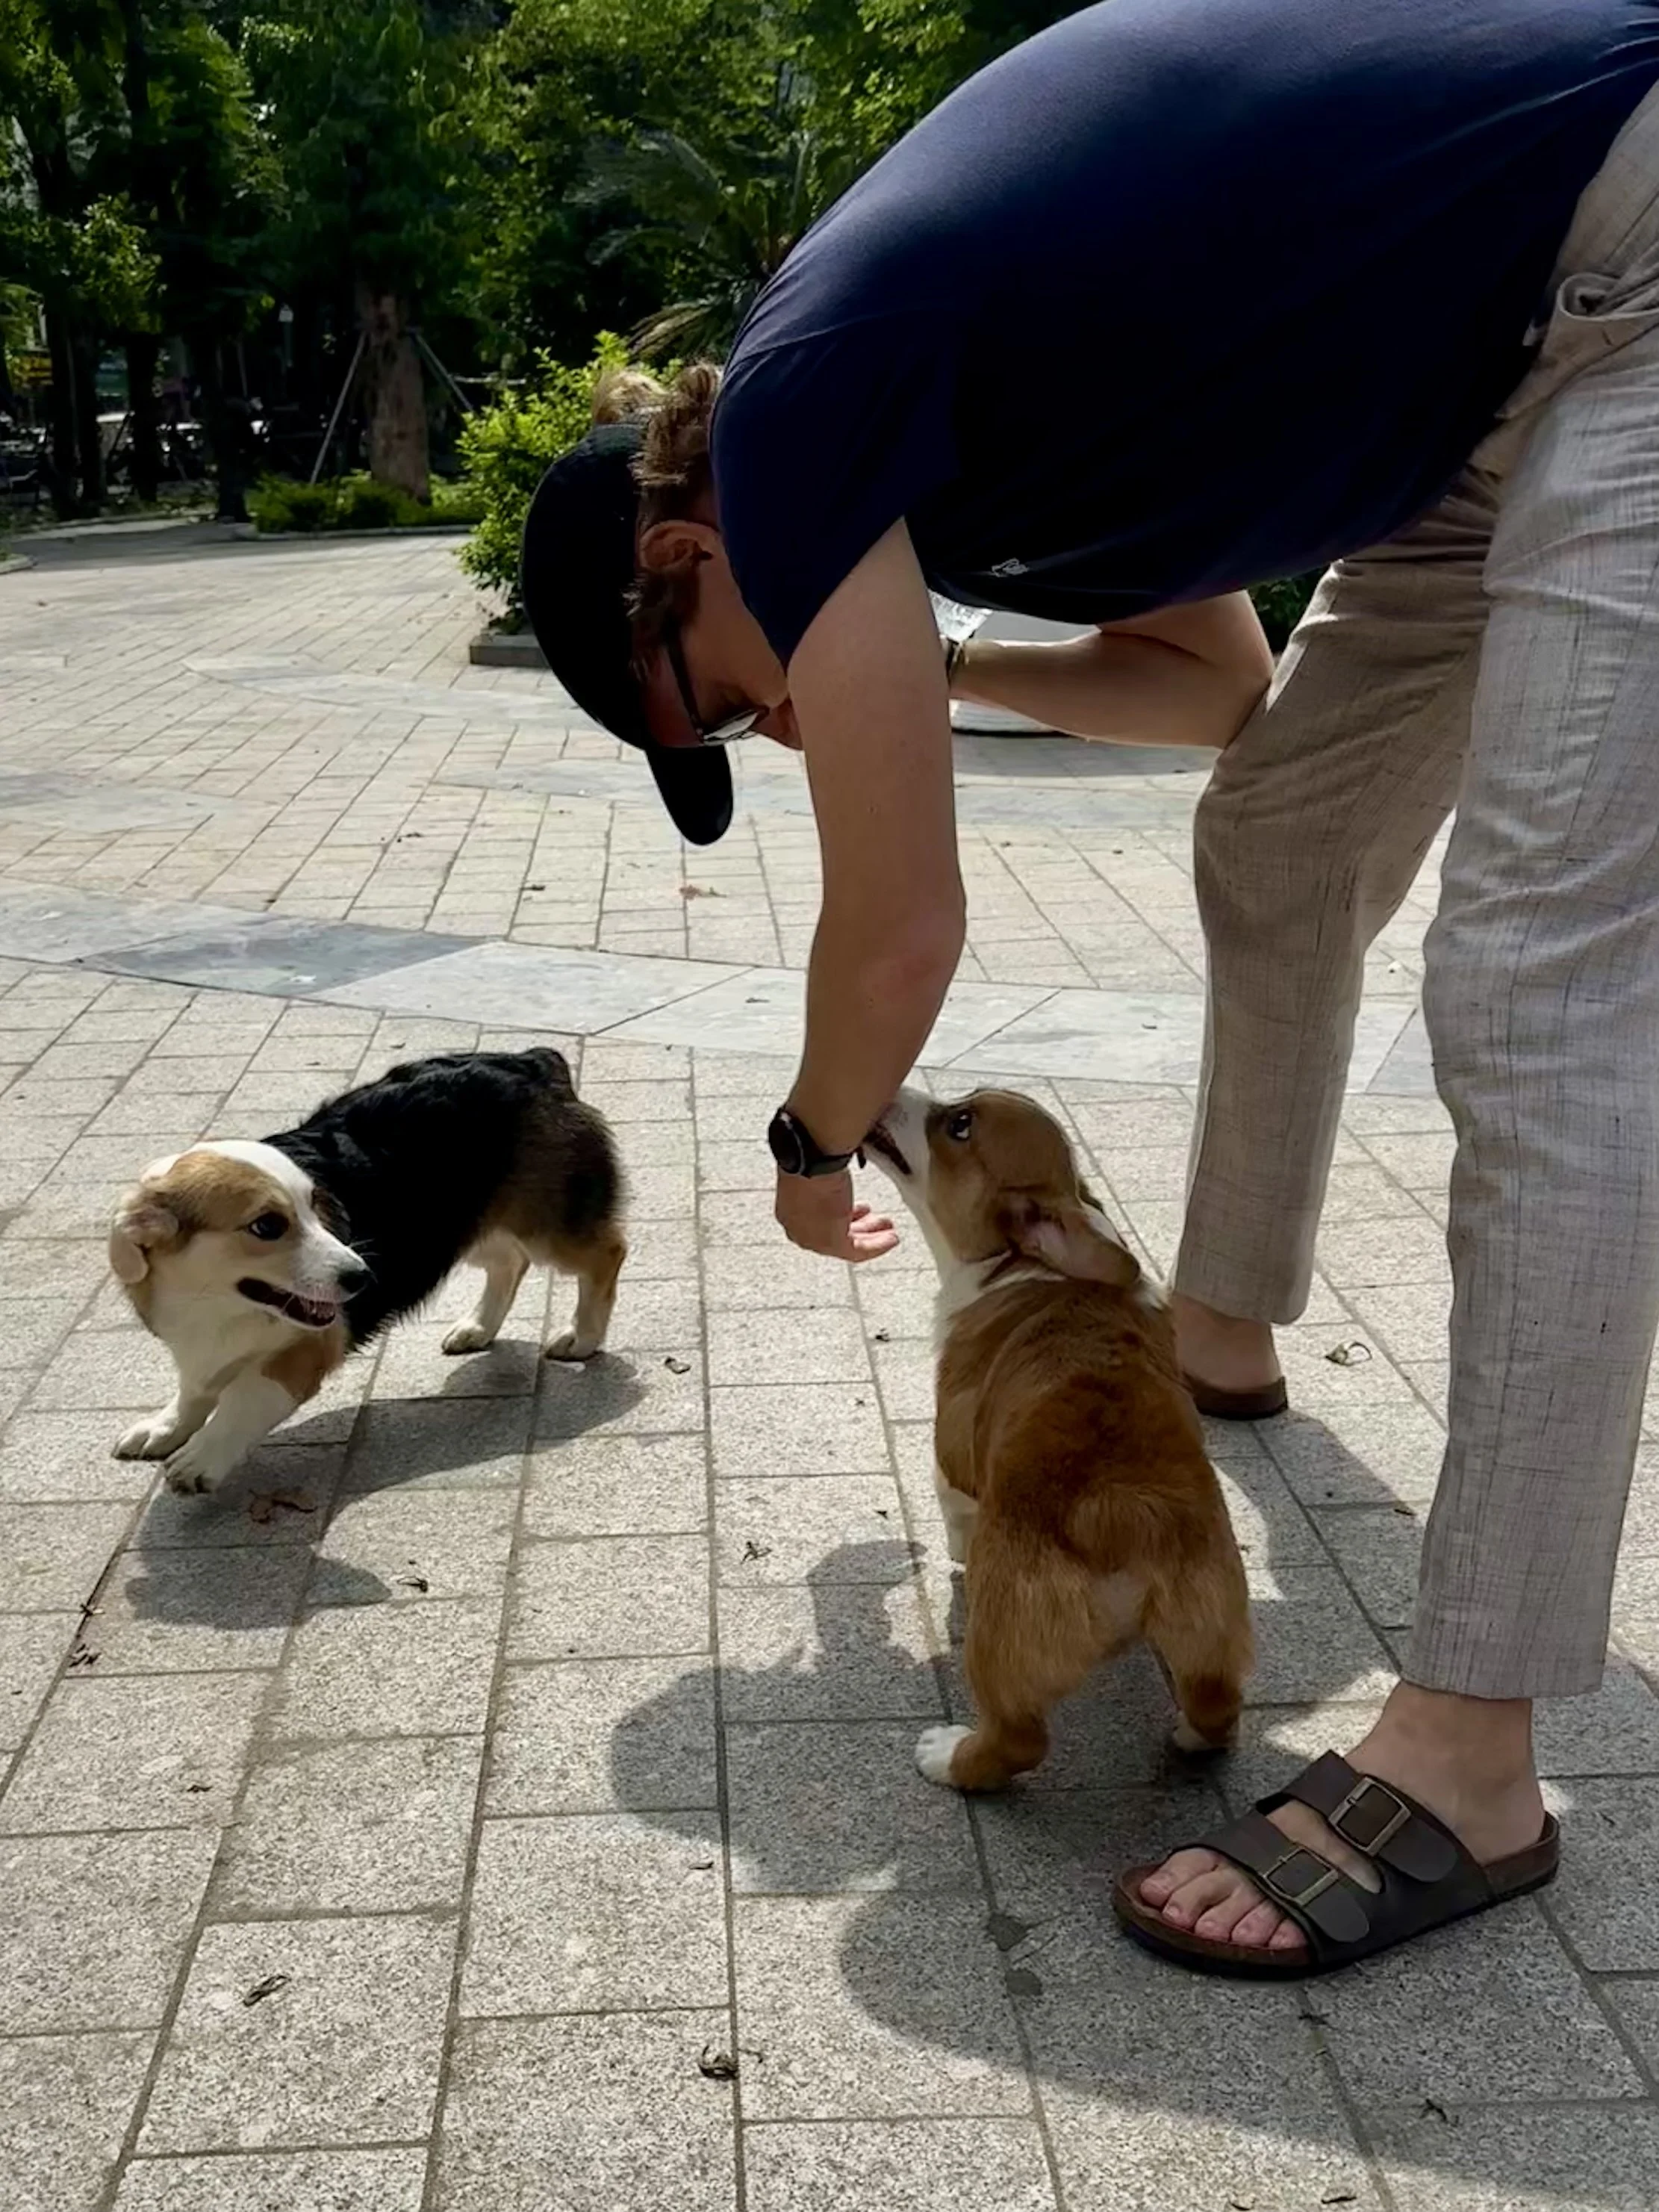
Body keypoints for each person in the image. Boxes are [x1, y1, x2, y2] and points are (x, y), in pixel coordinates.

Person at [520, 0, 1659, 1975]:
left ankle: (1474, 1747)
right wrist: (942, 671)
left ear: (684, 542)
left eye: (724, 689)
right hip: (1483, 395)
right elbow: (1215, 696)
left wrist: (808, 1142)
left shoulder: (806, 391)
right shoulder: (940, 441)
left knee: (1533, 991)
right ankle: (1210, 1334)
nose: (774, 719)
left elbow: (898, 934)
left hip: (1622, 272)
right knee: (1279, 838)